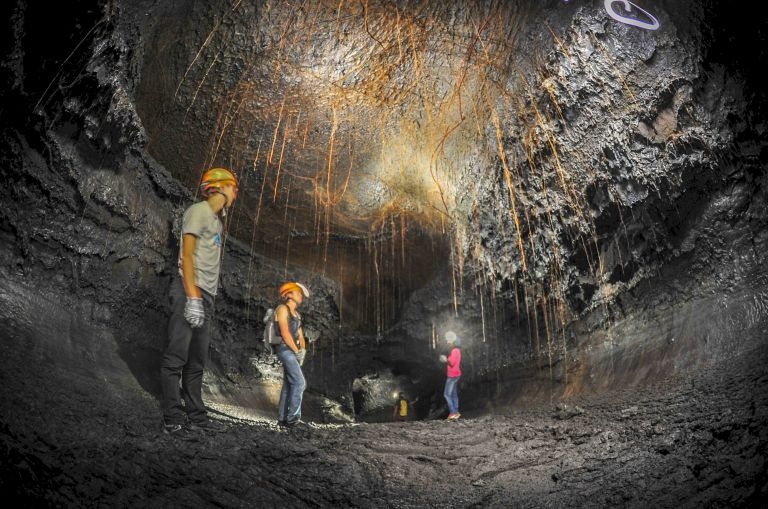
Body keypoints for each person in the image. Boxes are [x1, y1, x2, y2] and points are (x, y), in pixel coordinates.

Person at [159, 167, 238, 435]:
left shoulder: (217, 222)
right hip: (188, 290)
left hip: (207, 296)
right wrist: (192, 297)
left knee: (196, 361)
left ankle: (197, 415)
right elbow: (187, 256)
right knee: (176, 357)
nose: (235, 193)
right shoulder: (199, 211)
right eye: (234, 187)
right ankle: (172, 418)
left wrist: (205, 299)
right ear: (221, 186)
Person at [275, 281, 310, 428]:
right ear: (288, 294)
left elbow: (300, 336)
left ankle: (282, 419)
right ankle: (293, 420)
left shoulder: (297, 315)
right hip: (284, 349)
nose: (300, 295)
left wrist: (302, 351)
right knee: (300, 382)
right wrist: (296, 352)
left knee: (289, 384)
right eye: (297, 292)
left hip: (294, 351)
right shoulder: (282, 309)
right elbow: (284, 332)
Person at [439, 331, 462, 420]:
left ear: (452, 340)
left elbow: (452, 363)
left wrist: (445, 360)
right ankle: (456, 412)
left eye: (448, 339)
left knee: (446, 394)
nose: (447, 341)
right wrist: (445, 360)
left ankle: (452, 412)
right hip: (455, 374)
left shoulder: (454, 350)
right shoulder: (456, 350)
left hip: (452, 376)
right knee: (453, 394)